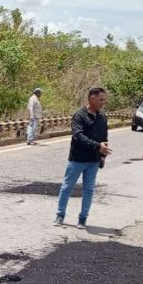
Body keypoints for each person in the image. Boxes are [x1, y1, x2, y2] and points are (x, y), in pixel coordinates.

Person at [54, 87, 112, 228]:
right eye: (101, 100)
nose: (103, 103)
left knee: (89, 190)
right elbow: (78, 136)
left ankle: (83, 218)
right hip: (77, 159)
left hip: (94, 160)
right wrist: (98, 146)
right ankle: (60, 215)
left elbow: (104, 138)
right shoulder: (79, 115)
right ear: (92, 98)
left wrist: (102, 156)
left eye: (104, 100)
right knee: (67, 187)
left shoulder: (102, 117)